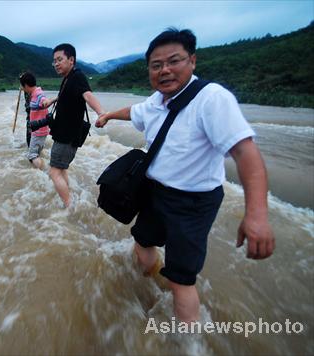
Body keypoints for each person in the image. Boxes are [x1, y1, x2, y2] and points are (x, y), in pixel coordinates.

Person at [95, 28, 275, 322]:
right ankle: (145, 289)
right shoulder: (155, 101)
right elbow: (135, 111)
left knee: (181, 278)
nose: (164, 70)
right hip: (155, 191)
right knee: (142, 242)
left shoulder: (212, 99)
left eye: (174, 61)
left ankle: (186, 340)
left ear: (192, 61)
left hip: (194, 201)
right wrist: (109, 115)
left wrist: (256, 215)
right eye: (156, 65)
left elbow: (247, 154)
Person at [41, 43, 105, 208]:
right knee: (61, 170)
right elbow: (64, 95)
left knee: (54, 172)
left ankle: (69, 206)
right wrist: (51, 101)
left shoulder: (77, 77)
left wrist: (101, 113)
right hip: (66, 134)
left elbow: (88, 95)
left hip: (66, 136)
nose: (56, 64)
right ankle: (70, 199)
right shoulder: (69, 78)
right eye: (54, 61)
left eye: (59, 59)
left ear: (71, 60)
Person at [19, 72, 49, 169]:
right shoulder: (36, 92)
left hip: (38, 131)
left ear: (26, 85)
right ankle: (40, 171)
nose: (22, 89)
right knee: (37, 153)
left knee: (32, 155)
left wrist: (46, 102)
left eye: (23, 86)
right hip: (41, 129)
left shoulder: (38, 94)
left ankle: (42, 172)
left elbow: (43, 100)